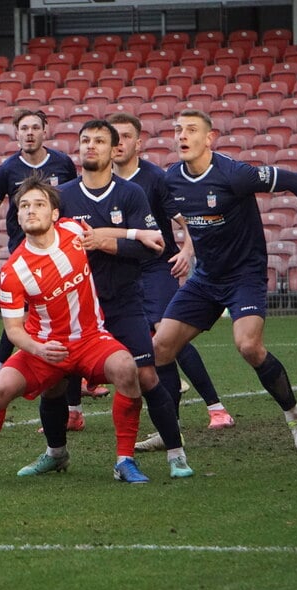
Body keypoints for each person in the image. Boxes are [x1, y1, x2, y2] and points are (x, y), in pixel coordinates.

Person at [152, 109, 297, 452]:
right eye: (178, 129)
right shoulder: (172, 180)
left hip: (244, 274)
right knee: (160, 349)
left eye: (191, 130)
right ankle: (170, 433)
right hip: (205, 278)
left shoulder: (234, 174)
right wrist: (184, 250)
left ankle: (295, 417)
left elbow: (295, 181)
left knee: (248, 346)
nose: (182, 136)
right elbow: (175, 218)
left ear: (210, 138)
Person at [0, 175, 149, 488]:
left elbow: (99, 232)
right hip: (44, 346)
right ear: (16, 216)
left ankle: (124, 461)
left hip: (90, 339)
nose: (31, 210)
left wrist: (138, 234)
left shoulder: (73, 230)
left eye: (39, 204)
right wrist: (38, 350)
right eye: (24, 206)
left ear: (54, 214)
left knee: (126, 368)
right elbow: (13, 330)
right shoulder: (14, 270)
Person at [31, 119, 194, 480]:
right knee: (54, 381)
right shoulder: (63, 197)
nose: (91, 146)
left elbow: (151, 248)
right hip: (75, 308)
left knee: (146, 375)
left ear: (113, 148)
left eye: (99, 141)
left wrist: (106, 243)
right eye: (85, 140)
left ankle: (176, 454)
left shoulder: (131, 194)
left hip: (121, 303)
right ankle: (55, 453)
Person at [106, 112, 235, 449]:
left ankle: (214, 409)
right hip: (124, 272)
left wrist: (187, 251)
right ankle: (171, 428)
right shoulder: (100, 181)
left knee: (166, 336)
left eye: (124, 137)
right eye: (112, 137)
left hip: (157, 267)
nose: (118, 144)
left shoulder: (155, 178)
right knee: (144, 343)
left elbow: (187, 219)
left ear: (139, 142)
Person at [0, 109, 88, 395]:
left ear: (44, 131)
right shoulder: (8, 168)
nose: (29, 133)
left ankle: (78, 374)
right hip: (24, 249)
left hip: (60, 248)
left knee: (64, 310)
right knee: (24, 313)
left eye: (35, 127)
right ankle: (2, 363)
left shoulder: (62, 163)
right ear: (16, 134)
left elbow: (70, 199)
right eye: (24, 128)